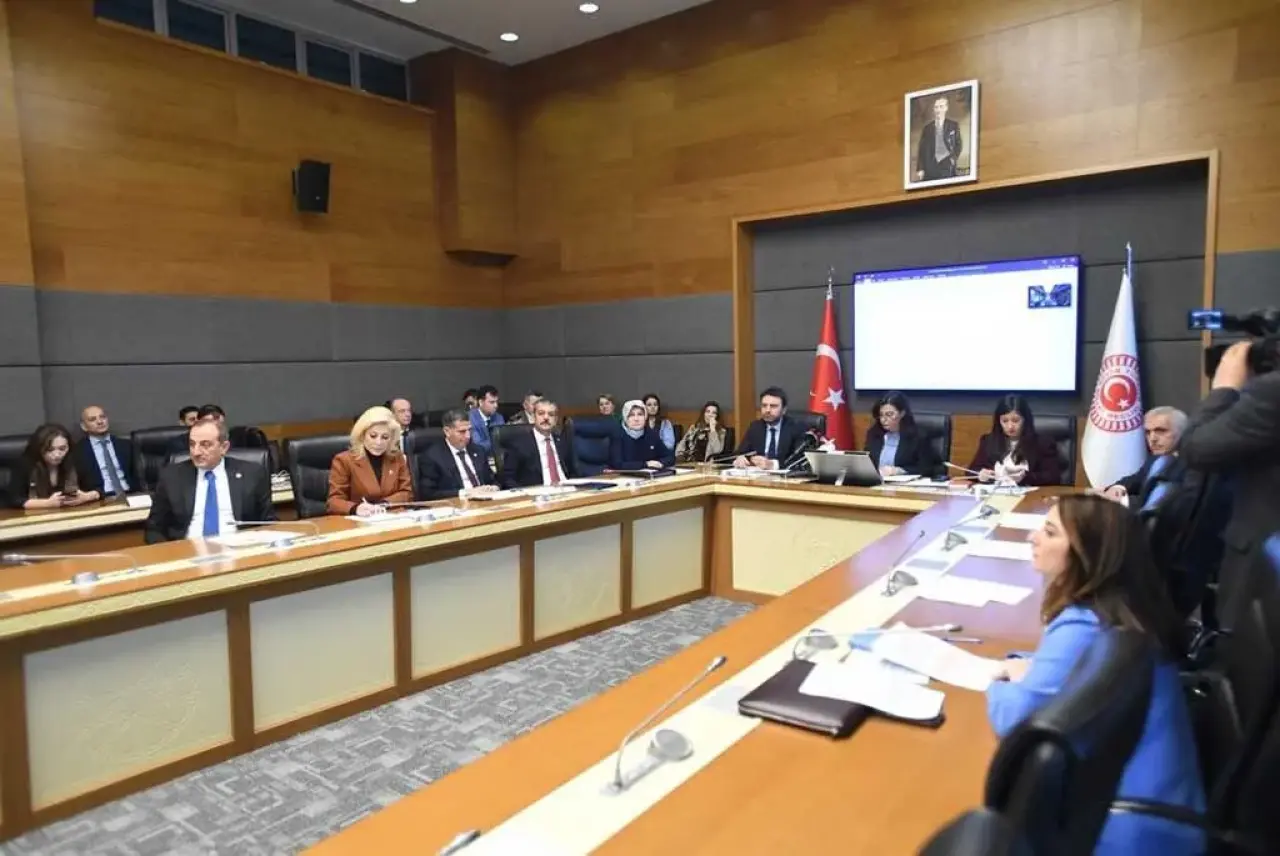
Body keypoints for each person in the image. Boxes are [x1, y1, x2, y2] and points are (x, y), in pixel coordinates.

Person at [988, 495, 1205, 854]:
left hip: (1131, 833)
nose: (1033, 537)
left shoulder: (1084, 624)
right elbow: (1069, 668)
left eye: (1050, 532)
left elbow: (1014, 722)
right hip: (1165, 810)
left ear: (1086, 554)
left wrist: (996, 680)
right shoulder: (1119, 609)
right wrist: (1027, 664)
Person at [1177, 340, 1280, 625]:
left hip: (1264, 569)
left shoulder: (1271, 392)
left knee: (1246, 649)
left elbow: (1196, 449)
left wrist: (1224, 388)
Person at [144, 419, 275, 543]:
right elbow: (154, 529)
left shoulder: (252, 473)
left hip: (240, 549)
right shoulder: (172, 477)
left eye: (205, 445)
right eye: (192, 444)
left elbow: (268, 522)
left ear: (224, 447)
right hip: (188, 550)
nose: (196, 452)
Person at [326, 406, 413, 516]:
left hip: (391, 518)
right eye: (373, 436)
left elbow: (407, 493)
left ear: (391, 439)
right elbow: (333, 502)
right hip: (358, 521)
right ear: (362, 435)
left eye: (385, 437)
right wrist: (356, 508)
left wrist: (384, 504)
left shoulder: (397, 457)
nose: (378, 442)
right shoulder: (344, 460)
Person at [968, 394, 1062, 485]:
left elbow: (1053, 477)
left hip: (1030, 494)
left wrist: (1025, 477)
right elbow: (970, 471)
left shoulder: (1042, 443)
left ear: (1025, 420)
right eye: (1005, 421)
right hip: (996, 493)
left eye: (1015, 421)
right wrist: (980, 474)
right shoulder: (988, 441)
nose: (1010, 426)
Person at [1103, 407, 1188, 504]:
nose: (1152, 439)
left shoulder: (1191, 465)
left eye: (1160, 431)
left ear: (1181, 432)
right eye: (1148, 432)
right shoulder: (1154, 461)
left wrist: (1122, 500)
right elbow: (1131, 482)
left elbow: (1158, 503)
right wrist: (1115, 489)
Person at [6, 424, 99, 509]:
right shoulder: (25, 464)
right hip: (33, 516)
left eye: (62, 449)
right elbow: (14, 500)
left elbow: (98, 488)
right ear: (39, 448)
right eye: (50, 449)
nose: (57, 455)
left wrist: (86, 497)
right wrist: (47, 503)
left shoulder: (75, 459)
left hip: (71, 513)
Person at [416, 409, 497, 499]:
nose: (468, 436)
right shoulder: (432, 457)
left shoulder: (478, 450)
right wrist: (466, 493)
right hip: (457, 503)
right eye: (462, 431)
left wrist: (493, 487)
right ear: (447, 431)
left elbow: (491, 480)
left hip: (486, 500)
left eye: (469, 430)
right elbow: (428, 493)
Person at [500, 398, 577, 488]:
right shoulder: (518, 443)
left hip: (567, 490)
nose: (546, 418)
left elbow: (573, 472)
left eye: (551, 415)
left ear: (555, 420)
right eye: (541, 413)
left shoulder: (563, 441)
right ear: (533, 417)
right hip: (537, 492)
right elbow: (507, 478)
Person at [863, 391, 941, 478]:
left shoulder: (918, 437)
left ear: (902, 413)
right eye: (881, 415)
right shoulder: (874, 434)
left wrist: (899, 470)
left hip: (904, 484)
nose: (883, 419)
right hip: (876, 482)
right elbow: (867, 462)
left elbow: (927, 469)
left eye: (889, 414)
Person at [733, 387, 809, 470]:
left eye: (773, 406)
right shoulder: (756, 427)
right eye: (764, 406)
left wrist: (773, 465)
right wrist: (740, 458)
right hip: (758, 474)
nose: (767, 410)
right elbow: (741, 452)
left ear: (784, 410)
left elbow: (800, 459)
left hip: (784, 475)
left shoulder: (796, 427)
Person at [72, 404, 133, 499]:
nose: (100, 422)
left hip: (131, 494)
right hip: (100, 498)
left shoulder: (126, 445)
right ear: (84, 426)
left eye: (102, 417)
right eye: (92, 419)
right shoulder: (77, 452)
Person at [611, 400, 676, 471]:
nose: (636, 419)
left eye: (640, 414)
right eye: (631, 415)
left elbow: (670, 457)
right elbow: (617, 464)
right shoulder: (618, 434)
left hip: (649, 475)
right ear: (625, 418)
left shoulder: (650, 434)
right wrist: (646, 464)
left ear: (645, 417)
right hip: (624, 476)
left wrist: (660, 463)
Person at [914, 94, 962, 182]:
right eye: (936, 107)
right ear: (933, 109)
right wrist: (920, 169)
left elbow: (958, 144)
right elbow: (922, 149)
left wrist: (953, 159)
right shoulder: (927, 128)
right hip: (931, 166)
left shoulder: (953, 125)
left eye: (941, 107)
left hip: (947, 166)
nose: (938, 110)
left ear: (946, 108)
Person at [468, 385, 505, 453]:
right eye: (492, 402)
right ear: (481, 402)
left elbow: (504, 441)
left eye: (496, 402)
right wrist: (497, 442)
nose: (496, 405)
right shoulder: (470, 418)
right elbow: (478, 445)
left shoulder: (499, 417)